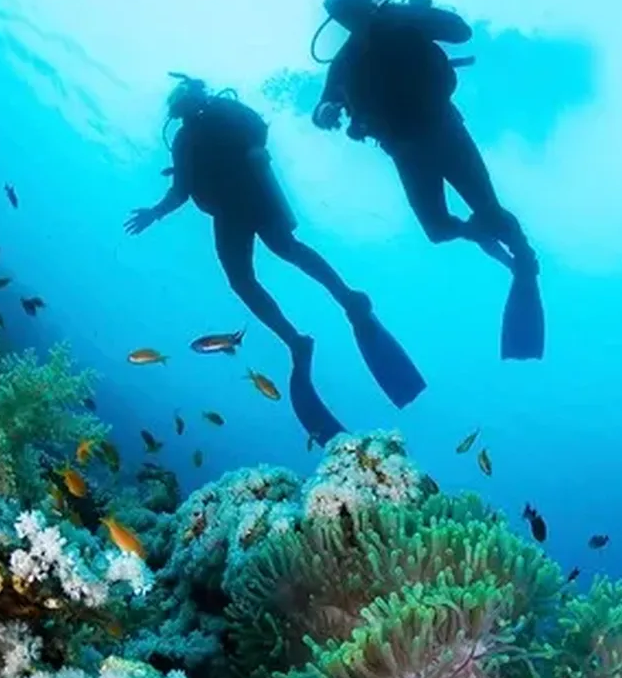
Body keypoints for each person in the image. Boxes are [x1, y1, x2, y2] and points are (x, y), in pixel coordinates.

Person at [125, 75, 425, 442]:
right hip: (243, 203)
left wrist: (156, 211)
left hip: (244, 202)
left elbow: (189, 185)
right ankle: (332, 310)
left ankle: (316, 324)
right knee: (273, 261)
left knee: (267, 265)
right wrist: (156, 212)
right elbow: (185, 188)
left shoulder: (202, 125)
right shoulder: (197, 131)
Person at [311, 0, 544, 359]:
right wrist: (325, 113)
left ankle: (523, 258)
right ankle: (488, 240)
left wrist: (413, 13)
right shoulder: (346, 60)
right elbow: (324, 103)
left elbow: (460, 32)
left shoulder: (405, 20)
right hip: (406, 151)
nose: (349, 20)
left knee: (489, 209)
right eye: (342, 17)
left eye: (351, 11)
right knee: (437, 229)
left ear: (366, 4)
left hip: (445, 131)